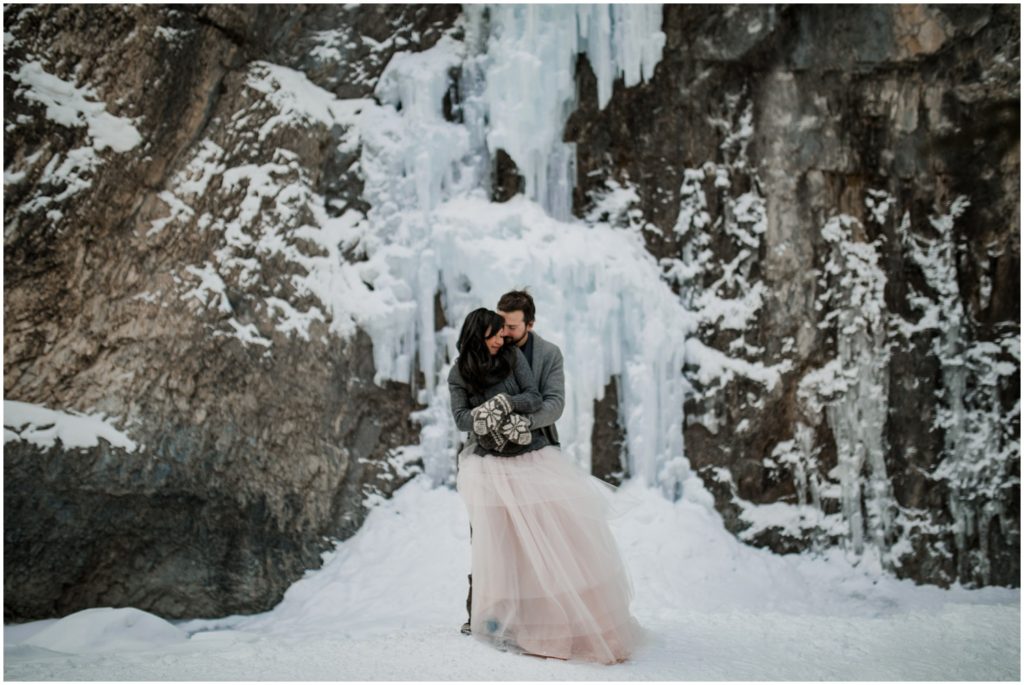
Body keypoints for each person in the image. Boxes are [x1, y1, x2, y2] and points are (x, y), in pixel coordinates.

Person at [449, 304, 643, 664]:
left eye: (505, 330)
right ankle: (494, 619)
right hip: (487, 465)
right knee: (495, 544)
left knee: (545, 536)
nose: (501, 338)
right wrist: (485, 417)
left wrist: (505, 405)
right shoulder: (459, 372)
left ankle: (553, 619)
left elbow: (536, 397)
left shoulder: (513, 357)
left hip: (531, 457)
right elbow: (461, 419)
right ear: (479, 335)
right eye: (494, 333)